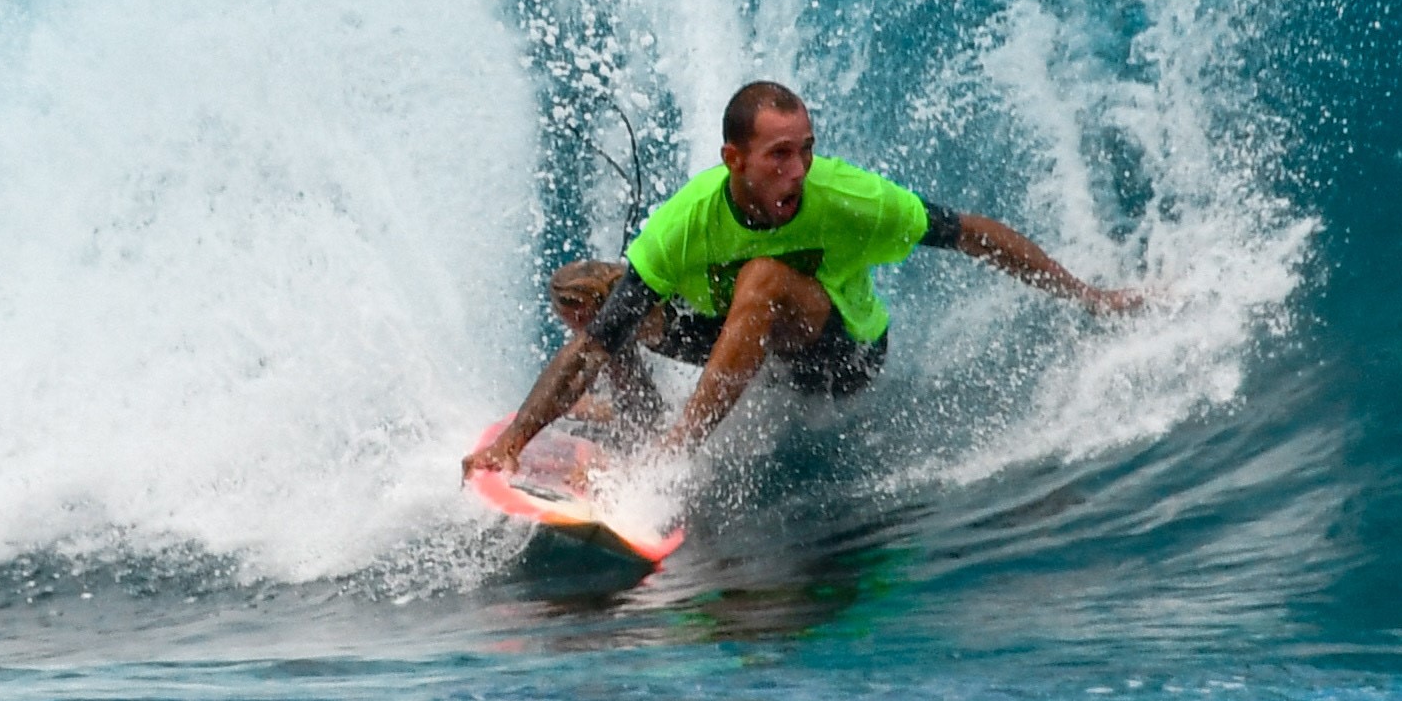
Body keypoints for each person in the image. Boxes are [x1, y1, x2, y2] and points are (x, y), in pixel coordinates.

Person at [467, 81, 1139, 474]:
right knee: (589, 292)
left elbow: (969, 231)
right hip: (737, 331)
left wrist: (1088, 296)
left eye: (806, 150)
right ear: (734, 158)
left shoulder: (849, 196)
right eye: (778, 154)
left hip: (840, 351)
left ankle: (667, 459)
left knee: (762, 275)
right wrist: (509, 446)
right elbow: (594, 343)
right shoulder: (687, 221)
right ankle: (642, 424)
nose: (797, 169)